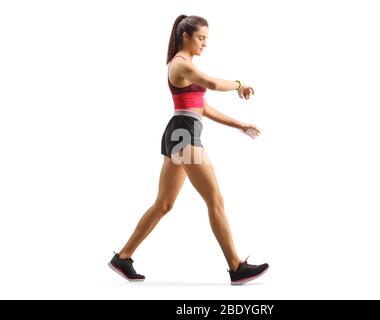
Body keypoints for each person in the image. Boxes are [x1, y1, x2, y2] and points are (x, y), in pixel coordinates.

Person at [108, 14, 269, 285]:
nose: (205, 43)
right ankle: (235, 267)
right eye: (201, 38)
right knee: (215, 199)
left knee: (164, 204)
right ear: (186, 36)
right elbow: (215, 85)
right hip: (184, 134)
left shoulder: (187, 66)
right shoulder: (180, 65)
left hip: (182, 131)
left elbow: (202, 107)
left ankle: (122, 258)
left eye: (207, 38)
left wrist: (238, 125)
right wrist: (240, 85)